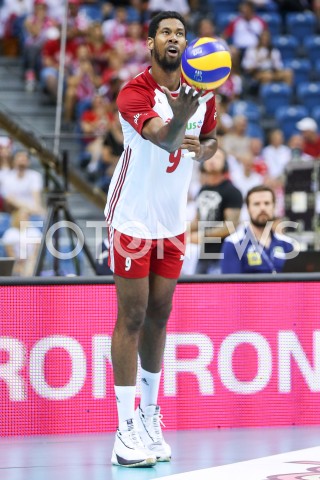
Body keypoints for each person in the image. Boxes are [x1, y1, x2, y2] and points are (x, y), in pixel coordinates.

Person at [104, 11, 218, 468]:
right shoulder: (135, 92)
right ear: (151, 43)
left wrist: (203, 145)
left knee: (160, 314)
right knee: (131, 316)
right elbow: (164, 140)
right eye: (166, 32)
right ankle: (124, 429)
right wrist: (182, 122)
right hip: (133, 219)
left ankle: (150, 417)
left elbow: (207, 141)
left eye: (181, 33)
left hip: (172, 221)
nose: (175, 38)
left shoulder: (203, 93)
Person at [188, 147, 243, 274]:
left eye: (217, 157)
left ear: (225, 164)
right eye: (209, 157)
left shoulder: (232, 191)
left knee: (218, 291)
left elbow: (230, 226)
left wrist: (203, 236)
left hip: (224, 254)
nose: (212, 161)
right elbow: (198, 220)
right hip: (204, 253)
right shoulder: (202, 190)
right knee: (197, 290)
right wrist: (182, 230)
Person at [220, 185, 295, 273]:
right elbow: (231, 285)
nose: (262, 208)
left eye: (267, 203)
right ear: (248, 209)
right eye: (257, 204)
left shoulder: (287, 243)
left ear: (274, 207)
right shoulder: (233, 243)